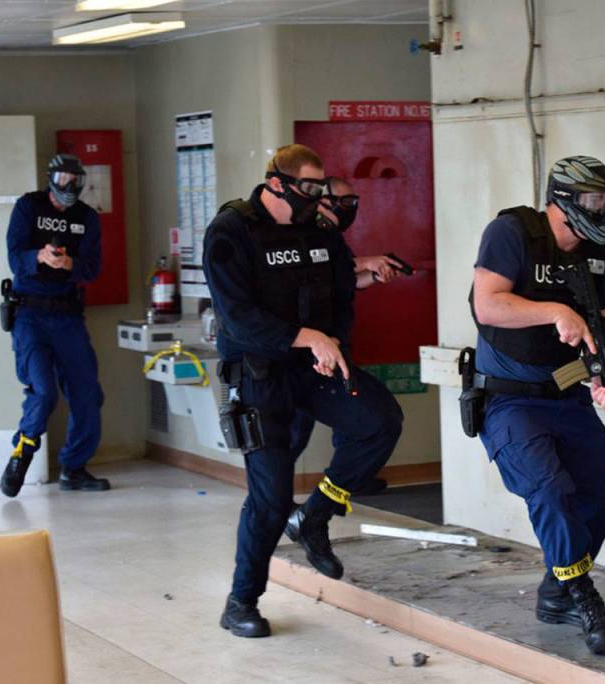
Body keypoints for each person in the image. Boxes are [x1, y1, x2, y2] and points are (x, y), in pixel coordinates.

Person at [203, 144, 403, 638]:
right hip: (258, 373)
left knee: (379, 422)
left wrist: (352, 296)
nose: (319, 200)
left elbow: (336, 290)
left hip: (314, 365)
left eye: (321, 190)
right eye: (309, 190)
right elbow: (238, 317)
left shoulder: (320, 231)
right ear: (277, 184)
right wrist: (308, 336)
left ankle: (315, 515)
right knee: (270, 498)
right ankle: (241, 602)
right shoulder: (231, 232)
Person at [469, 156, 605, 654]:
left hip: (568, 393)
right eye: (593, 200)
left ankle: (558, 590)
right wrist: (555, 310)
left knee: (599, 498)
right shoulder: (512, 232)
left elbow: (596, 333)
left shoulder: (601, 258)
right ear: (563, 199)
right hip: (507, 399)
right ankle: (583, 595)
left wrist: (604, 381)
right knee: (550, 489)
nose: (602, 210)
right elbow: (488, 304)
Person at [283, 176, 405, 512]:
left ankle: (348, 480)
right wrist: (366, 261)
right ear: (321, 200)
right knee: (292, 431)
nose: (349, 209)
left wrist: (373, 276)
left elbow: (341, 282)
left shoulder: (331, 237)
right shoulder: (302, 232)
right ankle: (274, 501)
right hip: (298, 350)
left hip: (332, 344)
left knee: (361, 416)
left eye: (353, 202)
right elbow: (311, 273)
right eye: (343, 201)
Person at [1, 153, 109, 497]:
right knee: (44, 391)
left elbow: (92, 268)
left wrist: (69, 264)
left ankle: (74, 468)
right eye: (63, 180)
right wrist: (39, 256)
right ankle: (22, 453)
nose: (69, 187)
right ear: (51, 178)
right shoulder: (28, 207)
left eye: (75, 181)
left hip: (67, 316)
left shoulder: (87, 218)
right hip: (30, 314)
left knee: (87, 393)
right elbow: (14, 254)